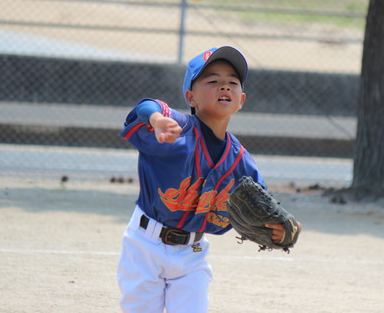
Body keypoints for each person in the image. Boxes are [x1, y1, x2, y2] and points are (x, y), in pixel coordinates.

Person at [116, 46, 300, 313]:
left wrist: (287, 228)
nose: (223, 86)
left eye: (232, 83)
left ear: (241, 100)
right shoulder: (174, 130)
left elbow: (266, 206)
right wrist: (156, 120)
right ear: (191, 97)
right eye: (212, 81)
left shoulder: (241, 162)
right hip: (144, 245)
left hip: (193, 254)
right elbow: (146, 106)